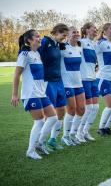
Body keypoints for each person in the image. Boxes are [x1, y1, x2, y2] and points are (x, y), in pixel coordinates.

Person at [11, 29, 59, 159]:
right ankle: (30, 151)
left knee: (53, 117)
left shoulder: (36, 53)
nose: (40, 39)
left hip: (41, 93)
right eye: (37, 37)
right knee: (39, 121)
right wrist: (14, 94)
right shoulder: (24, 54)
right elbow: (16, 75)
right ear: (29, 40)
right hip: (31, 93)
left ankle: (40, 144)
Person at [39, 23, 69, 150]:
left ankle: (52, 139)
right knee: (49, 114)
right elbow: (37, 58)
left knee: (61, 111)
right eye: (63, 35)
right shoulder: (45, 42)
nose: (64, 38)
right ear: (56, 31)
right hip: (48, 81)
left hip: (59, 81)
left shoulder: (57, 44)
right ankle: (40, 142)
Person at [60, 27, 86, 146]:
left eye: (77, 32)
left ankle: (73, 134)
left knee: (81, 109)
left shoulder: (79, 47)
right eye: (73, 32)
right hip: (67, 84)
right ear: (68, 34)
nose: (76, 34)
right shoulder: (62, 47)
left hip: (78, 83)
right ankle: (65, 136)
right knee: (71, 109)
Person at [76, 22, 99, 142]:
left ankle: (85, 131)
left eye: (96, 28)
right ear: (86, 30)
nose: (96, 30)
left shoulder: (94, 44)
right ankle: (78, 132)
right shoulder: (81, 42)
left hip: (93, 79)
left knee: (95, 107)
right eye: (93, 28)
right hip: (84, 79)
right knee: (88, 108)